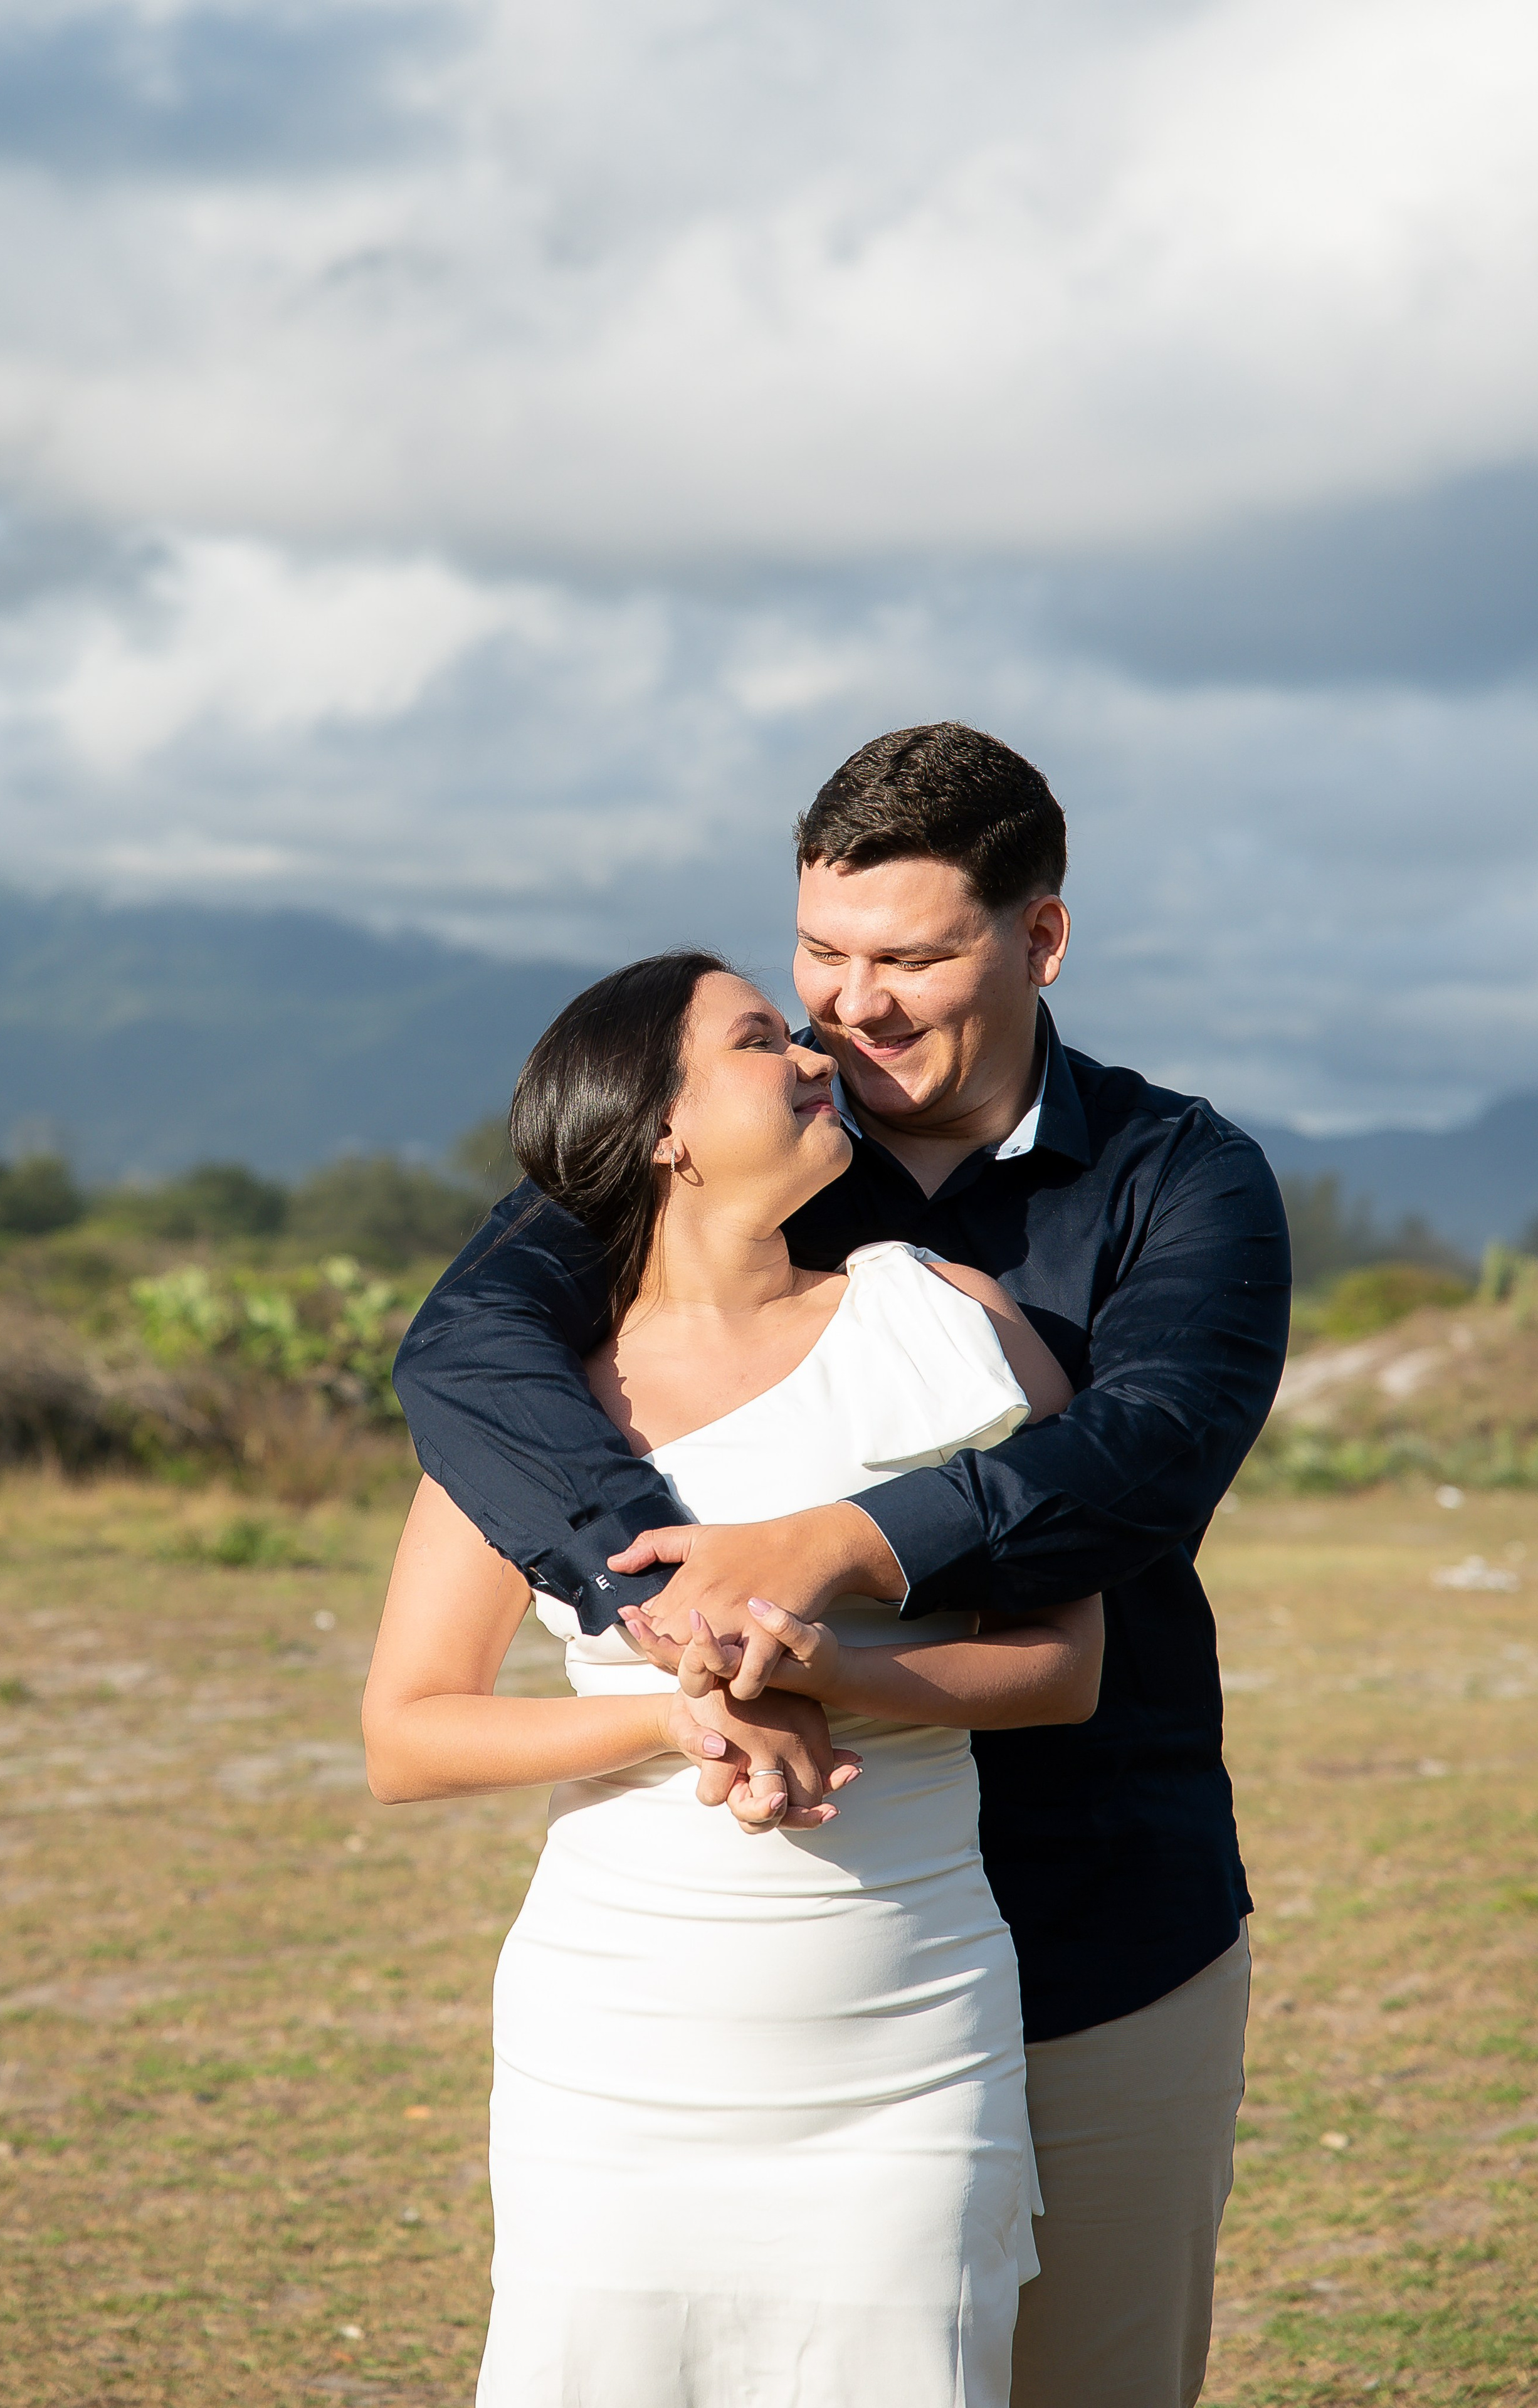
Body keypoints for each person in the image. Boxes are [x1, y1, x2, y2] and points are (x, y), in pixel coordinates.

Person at [394, 722, 1293, 2408]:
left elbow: (1146, 1454)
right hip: (764, 1948)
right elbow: (464, 1351)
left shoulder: (1184, 1183)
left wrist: (831, 1551)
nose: (852, 1007)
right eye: (821, 954)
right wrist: (674, 1608)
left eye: (913, 957)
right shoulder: (739, 1141)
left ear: (1041, 937)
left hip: (1103, 1915)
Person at [364, 952, 1105, 2407]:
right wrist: (671, 1715)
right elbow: (406, 1732)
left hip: (907, 2042)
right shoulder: (528, 1396)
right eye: (762, 1038)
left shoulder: (945, 1319)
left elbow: (1062, 1666)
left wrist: (831, 1667)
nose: (817, 1049)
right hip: (618, 2053)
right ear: (660, 1128)